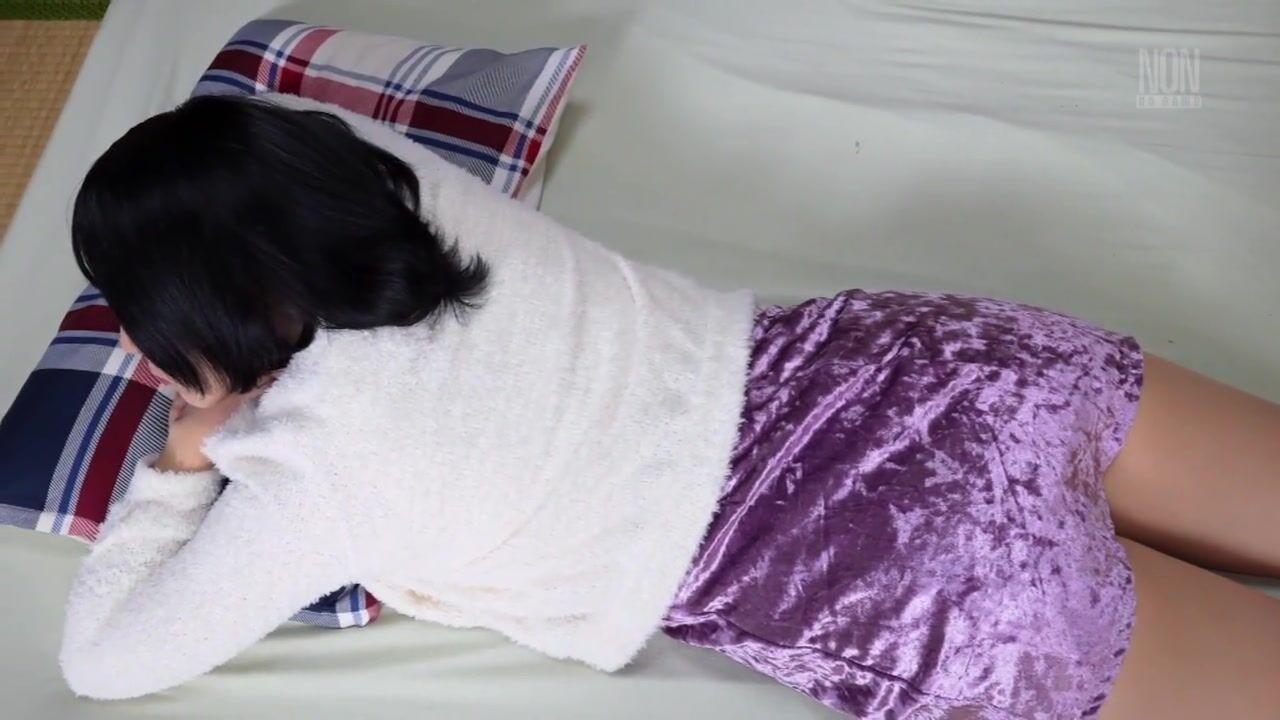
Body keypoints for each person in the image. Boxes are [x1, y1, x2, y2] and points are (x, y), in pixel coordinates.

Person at [60, 93, 1280, 719]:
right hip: (949, 368)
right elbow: (278, 156)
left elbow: (106, 661)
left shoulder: (317, 484)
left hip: (927, 588)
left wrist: (186, 455)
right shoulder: (396, 183)